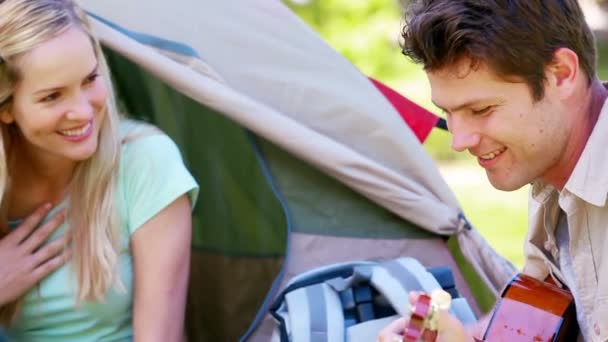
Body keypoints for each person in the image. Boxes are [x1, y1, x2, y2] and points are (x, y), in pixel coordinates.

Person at [378, 0, 608, 341]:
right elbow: (530, 316)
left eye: (481, 109)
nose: (459, 140)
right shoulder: (550, 162)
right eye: (448, 112)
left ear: (561, 74)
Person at [0, 0, 199, 341]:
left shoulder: (145, 162)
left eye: (90, 79)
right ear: (7, 108)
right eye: (52, 97)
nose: (83, 111)